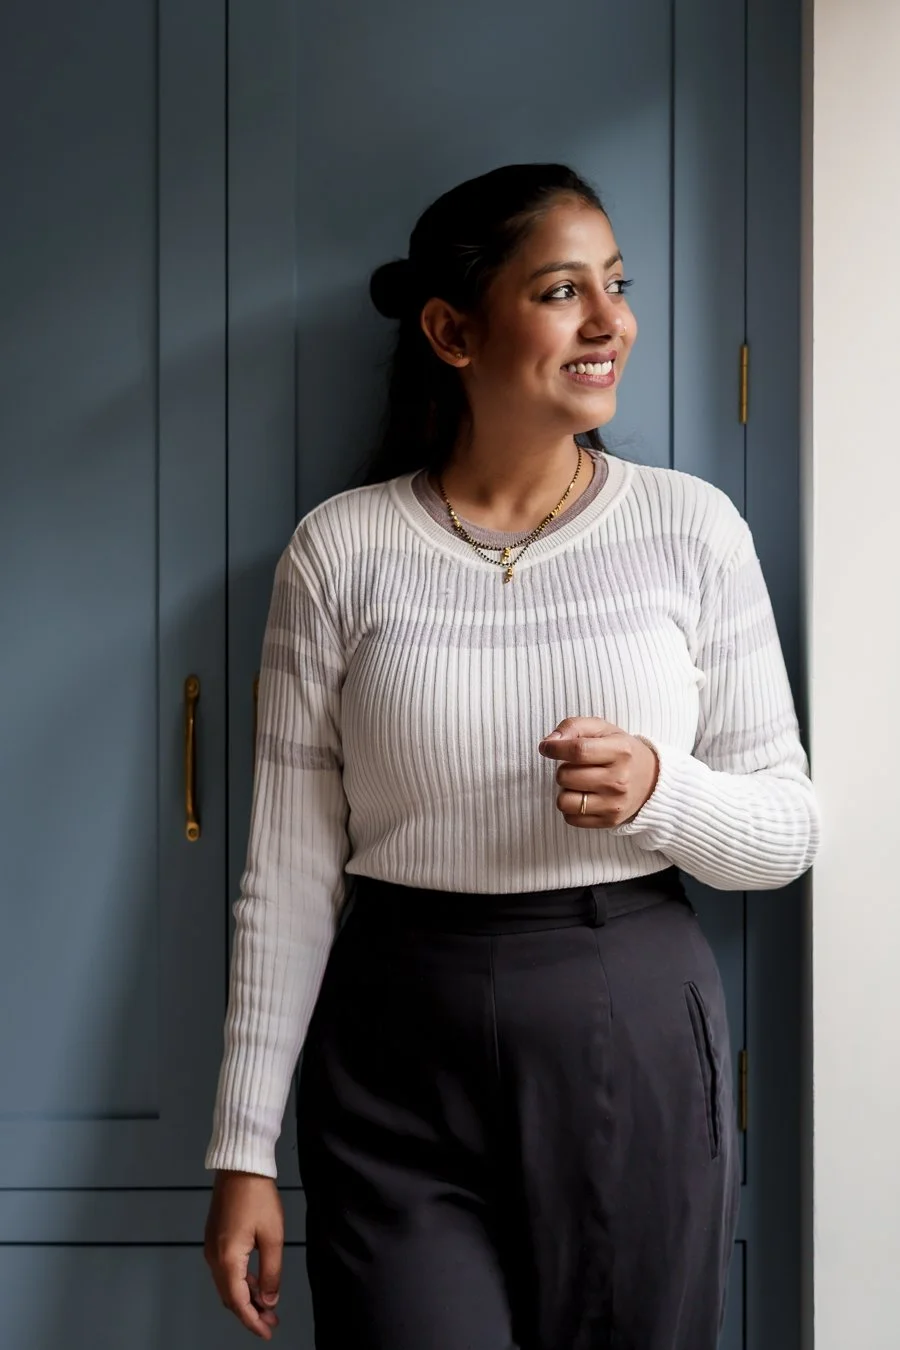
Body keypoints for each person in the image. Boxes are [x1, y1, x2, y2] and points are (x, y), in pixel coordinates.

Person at [202, 162, 820, 1349]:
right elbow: (283, 877)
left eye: (618, 284)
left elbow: (786, 834)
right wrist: (242, 1152)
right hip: (392, 1045)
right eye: (561, 289)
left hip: (627, 1017)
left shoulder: (691, 530)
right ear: (451, 330)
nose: (611, 321)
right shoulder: (339, 552)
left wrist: (663, 791)